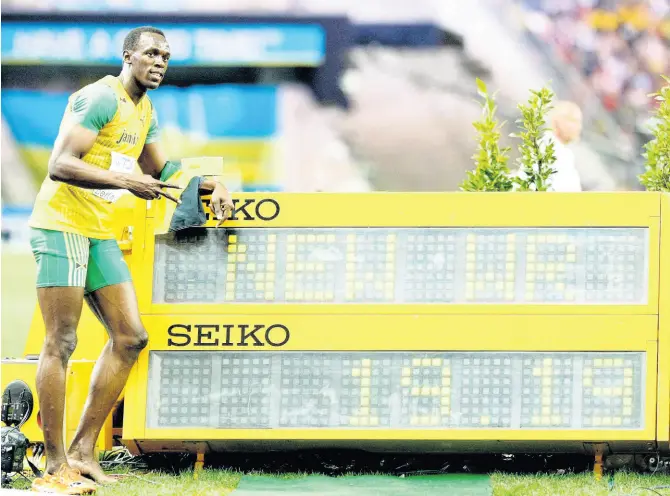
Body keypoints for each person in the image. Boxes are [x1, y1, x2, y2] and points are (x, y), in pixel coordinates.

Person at [27, 26, 233, 494]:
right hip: (61, 225)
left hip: (96, 230)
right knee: (61, 341)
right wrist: (126, 183)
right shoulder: (98, 98)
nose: (159, 62)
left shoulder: (145, 110)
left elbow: (162, 172)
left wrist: (210, 186)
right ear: (128, 56)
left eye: (166, 55)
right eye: (150, 53)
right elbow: (60, 164)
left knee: (130, 337)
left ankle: (82, 453)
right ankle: (54, 465)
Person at [515, 100, 584, 192]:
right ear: (559, 121)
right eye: (574, 121)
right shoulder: (545, 149)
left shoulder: (565, 153)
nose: (579, 127)